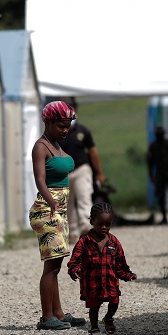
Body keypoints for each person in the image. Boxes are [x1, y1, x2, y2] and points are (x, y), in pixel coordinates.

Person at [29, 101, 86, 330]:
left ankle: (59, 313)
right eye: (61, 125)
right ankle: (46, 317)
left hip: (59, 211)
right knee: (50, 267)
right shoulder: (41, 147)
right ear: (48, 122)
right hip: (47, 210)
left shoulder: (56, 144)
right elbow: (40, 179)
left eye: (68, 125)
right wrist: (51, 200)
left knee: (56, 266)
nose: (66, 130)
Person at [67, 202, 137, 335]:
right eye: (100, 224)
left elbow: (120, 264)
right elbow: (75, 259)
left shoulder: (114, 242)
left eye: (108, 224)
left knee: (115, 302)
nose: (104, 227)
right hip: (92, 284)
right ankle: (94, 327)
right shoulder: (84, 241)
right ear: (92, 221)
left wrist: (128, 275)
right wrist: (74, 269)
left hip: (110, 282)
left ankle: (109, 318)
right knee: (94, 307)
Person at [57, 98, 106, 243]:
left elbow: (93, 152)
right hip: (63, 173)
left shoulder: (83, 131)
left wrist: (99, 173)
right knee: (67, 204)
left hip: (81, 169)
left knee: (84, 198)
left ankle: (86, 228)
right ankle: (72, 232)